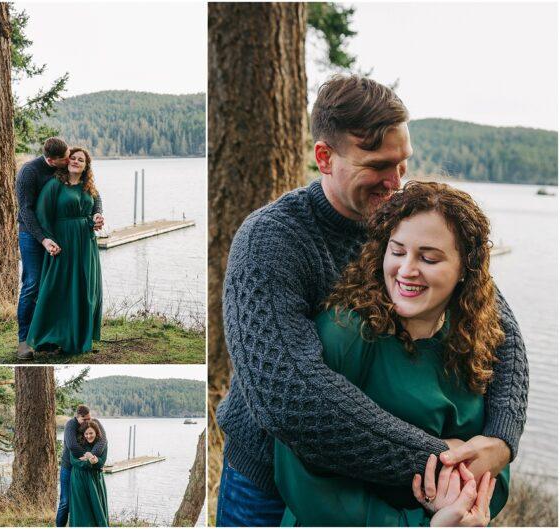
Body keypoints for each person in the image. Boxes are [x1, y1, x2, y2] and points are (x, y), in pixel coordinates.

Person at [215, 75, 528, 526]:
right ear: (324, 157)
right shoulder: (272, 239)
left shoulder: (402, 220)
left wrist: (500, 440)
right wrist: (442, 460)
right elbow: (290, 397)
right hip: (264, 481)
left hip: (376, 484)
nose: (396, 181)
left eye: (403, 164)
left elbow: (502, 332)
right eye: (380, 165)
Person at [274, 181, 510, 526]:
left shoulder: (476, 338)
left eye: (428, 257)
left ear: (465, 270)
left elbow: (494, 470)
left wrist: (460, 508)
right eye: (397, 252)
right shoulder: (346, 334)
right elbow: (303, 478)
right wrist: (421, 522)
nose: (406, 270)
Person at [15, 138, 104, 360]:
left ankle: (60, 337)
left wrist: (97, 213)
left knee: (81, 286)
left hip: (76, 239)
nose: (70, 160)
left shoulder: (72, 170)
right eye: (67, 158)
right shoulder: (30, 172)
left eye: (74, 158)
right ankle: (25, 341)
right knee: (34, 284)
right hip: (32, 233)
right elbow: (26, 211)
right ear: (51, 160)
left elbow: (95, 197)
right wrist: (45, 239)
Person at [57, 405, 107, 527]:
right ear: (77, 417)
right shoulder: (71, 425)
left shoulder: (93, 422)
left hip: (85, 469)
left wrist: (92, 457)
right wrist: (88, 458)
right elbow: (72, 446)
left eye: (89, 418)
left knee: (85, 502)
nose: (87, 421)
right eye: (84, 419)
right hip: (68, 467)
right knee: (65, 502)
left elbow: (103, 440)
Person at [68, 420, 109, 527]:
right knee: (82, 507)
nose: (88, 436)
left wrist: (94, 460)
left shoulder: (102, 444)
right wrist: (90, 462)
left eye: (91, 433)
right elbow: (74, 461)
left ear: (96, 432)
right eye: (86, 433)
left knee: (96, 505)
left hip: (95, 479)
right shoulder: (78, 444)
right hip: (79, 478)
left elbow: (102, 461)